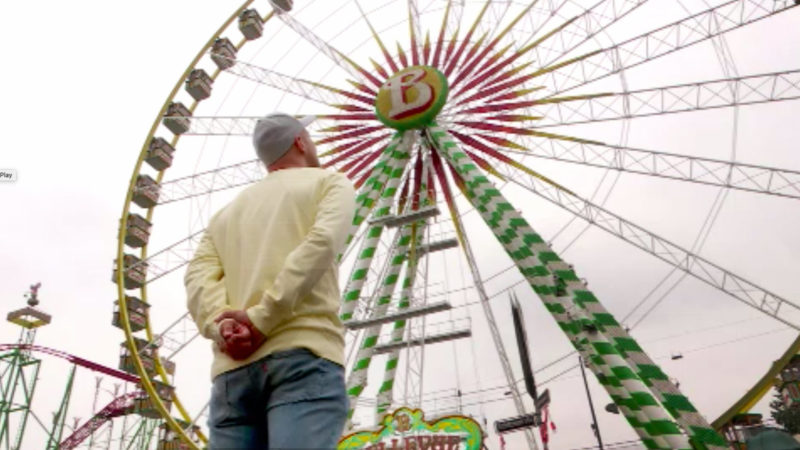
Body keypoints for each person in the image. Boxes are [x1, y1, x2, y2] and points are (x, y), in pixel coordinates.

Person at [185, 113, 357, 449]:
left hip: (232, 371)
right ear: (300, 141)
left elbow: (197, 277)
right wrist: (262, 318)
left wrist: (222, 328)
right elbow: (320, 245)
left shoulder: (226, 214)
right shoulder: (329, 183)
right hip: (302, 356)